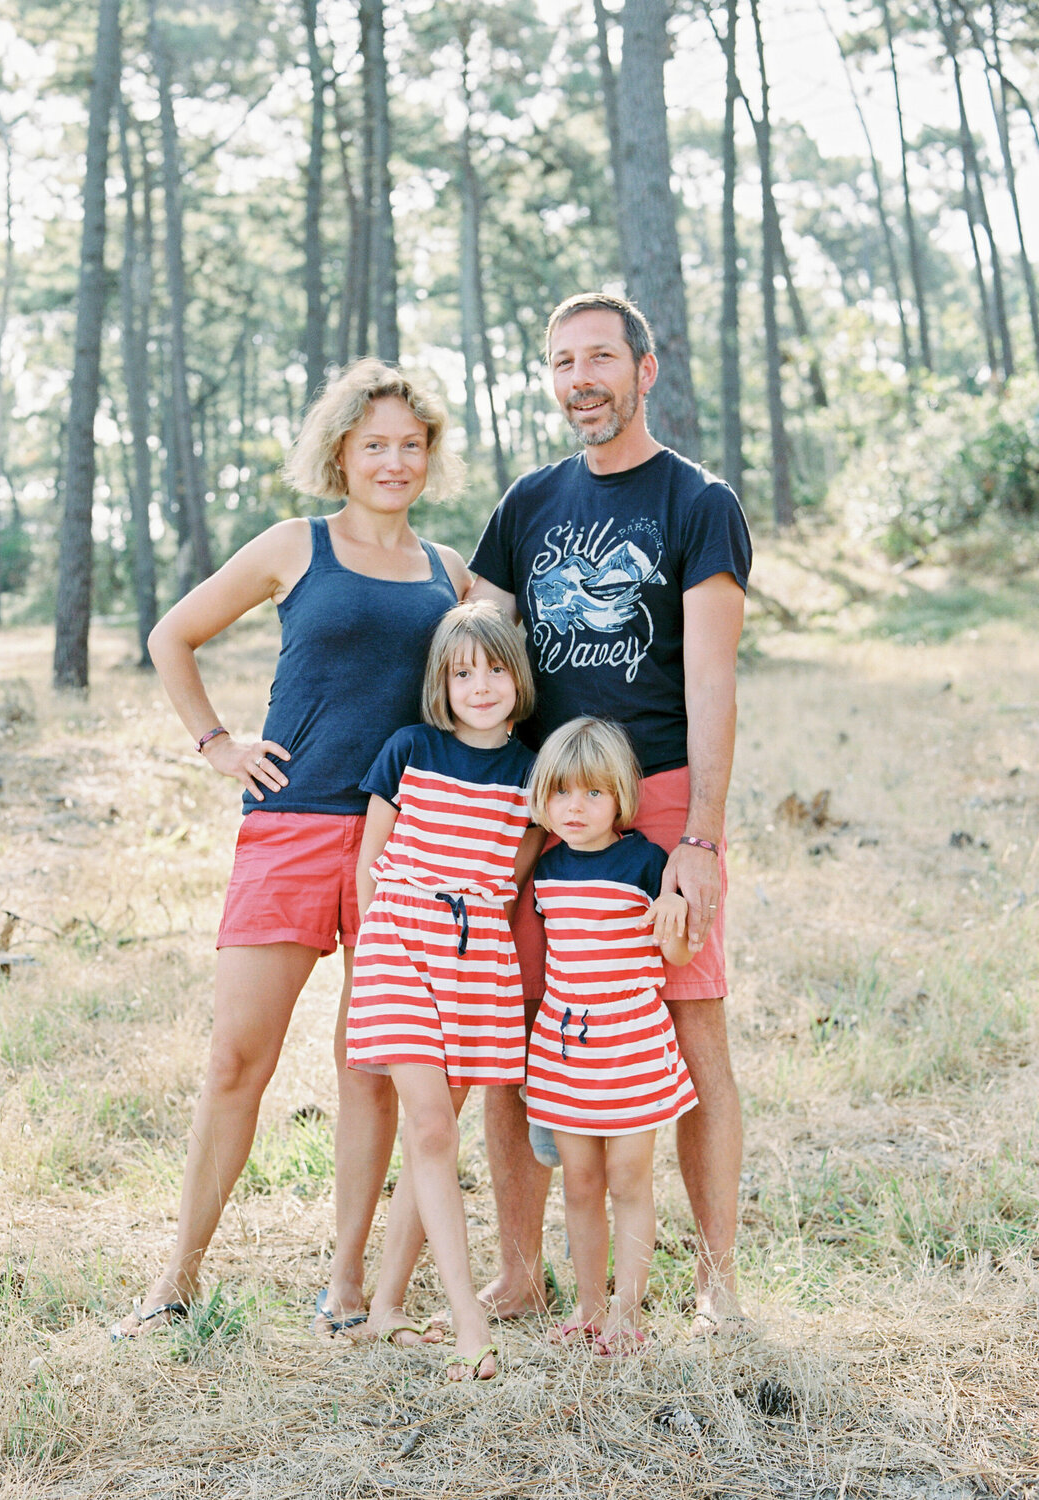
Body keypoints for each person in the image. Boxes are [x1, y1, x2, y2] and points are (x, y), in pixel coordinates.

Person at [112, 360, 469, 1339]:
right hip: (292, 823)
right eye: (374, 445)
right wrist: (216, 742)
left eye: (410, 444)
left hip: (401, 843)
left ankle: (348, 1287)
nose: (393, 462)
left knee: (370, 1065)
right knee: (237, 1059)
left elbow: (499, 668)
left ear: (428, 456)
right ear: (341, 455)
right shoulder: (293, 546)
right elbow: (171, 635)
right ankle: (173, 1283)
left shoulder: (450, 574)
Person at [467, 291, 753, 1338]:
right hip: (538, 813)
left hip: (658, 800)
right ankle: (520, 1271)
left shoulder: (697, 501)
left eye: (598, 357)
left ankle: (717, 1280)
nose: (578, 377)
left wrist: (702, 842)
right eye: (560, 361)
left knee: (688, 1030)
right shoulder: (528, 504)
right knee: (514, 1032)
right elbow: (475, 655)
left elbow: (714, 683)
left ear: (645, 370)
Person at [344, 600, 545, 1380]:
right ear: (443, 683)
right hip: (400, 940)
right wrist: (376, 958)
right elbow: (370, 865)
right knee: (429, 1124)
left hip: (475, 958)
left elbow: (509, 875)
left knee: (433, 1132)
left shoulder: (532, 775)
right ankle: (469, 1325)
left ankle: (389, 1306)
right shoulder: (409, 751)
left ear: (517, 678)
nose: (482, 685)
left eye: (496, 669)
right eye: (464, 673)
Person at [525, 717, 697, 1356]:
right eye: (563, 792)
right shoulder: (545, 870)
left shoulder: (644, 861)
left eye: (594, 794)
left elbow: (676, 955)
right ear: (544, 795)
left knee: (628, 1178)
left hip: (631, 1040)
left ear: (620, 798)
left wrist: (674, 915)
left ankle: (628, 1308)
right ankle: (588, 1304)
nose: (577, 807)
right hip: (568, 1045)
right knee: (579, 1182)